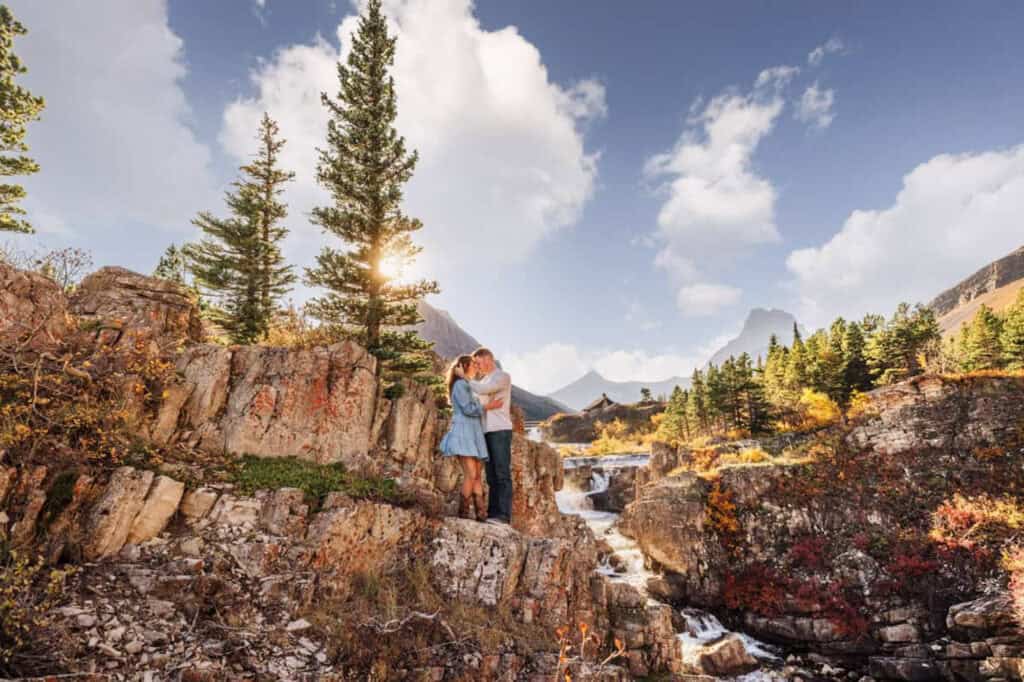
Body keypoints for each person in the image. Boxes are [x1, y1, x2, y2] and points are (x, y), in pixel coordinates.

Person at [439, 355, 503, 520]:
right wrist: (488, 406)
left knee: (476, 474)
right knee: (471, 473)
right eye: (473, 364)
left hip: (473, 432)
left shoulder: (466, 384)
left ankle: (481, 513)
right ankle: (464, 512)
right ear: (464, 366)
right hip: (464, 432)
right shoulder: (460, 385)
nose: (476, 366)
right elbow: (468, 409)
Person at [467, 348, 513, 525]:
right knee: (492, 475)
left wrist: (464, 378)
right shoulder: (484, 380)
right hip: (486, 431)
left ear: (488, 359)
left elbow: (484, 390)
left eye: (478, 363)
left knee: (502, 473)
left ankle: (503, 515)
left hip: (500, 430)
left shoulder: (502, 377)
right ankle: (494, 514)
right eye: (475, 364)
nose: (477, 367)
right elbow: (479, 400)